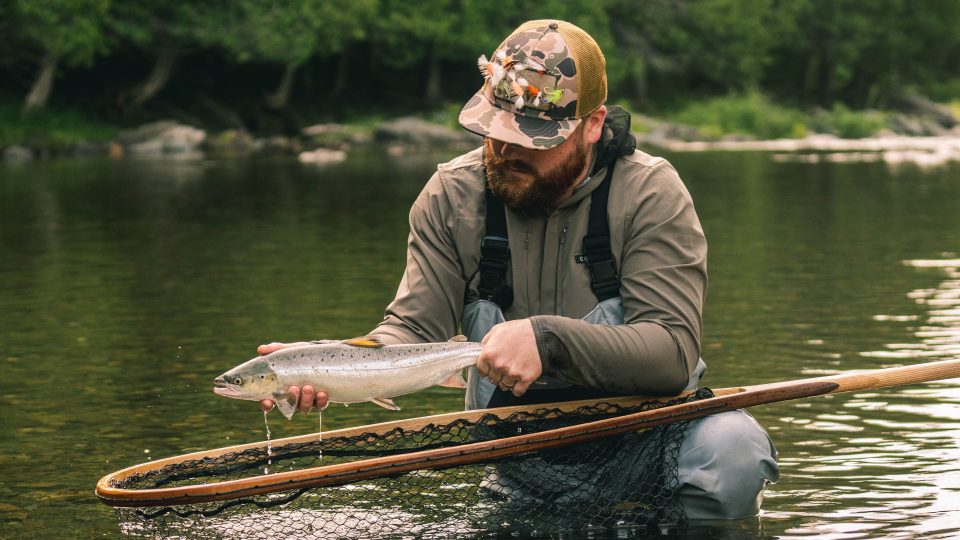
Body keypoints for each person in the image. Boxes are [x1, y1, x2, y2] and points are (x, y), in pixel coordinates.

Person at [258, 19, 778, 520]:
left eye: (532, 137)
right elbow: (412, 331)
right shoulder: (451, 196)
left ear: (593, 124)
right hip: (518, 454)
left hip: (648, 438)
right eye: (495, 129)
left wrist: (546, 341)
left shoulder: (650, 192)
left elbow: (672, 352)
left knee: (732, 450)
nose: (505, 150)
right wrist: (328, 363)